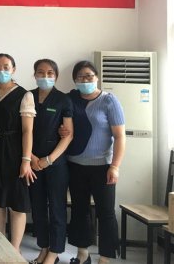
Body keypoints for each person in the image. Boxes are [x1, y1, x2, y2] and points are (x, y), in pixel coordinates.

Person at [66, 60, 125, 264]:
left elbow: (120, 136)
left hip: (103, 168)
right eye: (80, 77)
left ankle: (105, 258)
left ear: (97, 77)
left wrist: (115, 166)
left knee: (105, 212)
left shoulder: (109, 101)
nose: (85, 80)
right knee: (79, 210)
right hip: (75, 166)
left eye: (89, 76)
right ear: (74, 80)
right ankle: (82, 254)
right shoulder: (71, 99)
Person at [0, 53, 36, 253]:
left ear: (13, 69)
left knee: (16, 202)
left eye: (6, 67)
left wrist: (26, 160)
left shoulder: (24, 95)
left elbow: (27, 131)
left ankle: (14, 249)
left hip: (14, 150)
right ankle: (0, 247)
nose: (1, 70)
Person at [28, 59, 74, 264]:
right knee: (37, 208)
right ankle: (43, 248)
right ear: (34, 74)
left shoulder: (63, 100)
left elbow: (68, 135)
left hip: (55, 163)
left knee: (56, 208)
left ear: (56, 76)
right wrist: (31, 157)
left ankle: (54, 252)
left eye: (49, 73)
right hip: (32, 162)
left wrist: (49, 160)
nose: (45, 76)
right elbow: (23, 131)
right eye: (40, 72)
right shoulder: (27, 96)